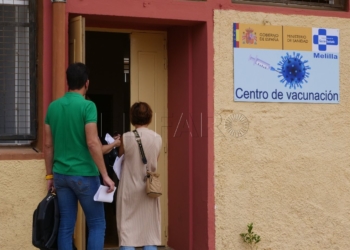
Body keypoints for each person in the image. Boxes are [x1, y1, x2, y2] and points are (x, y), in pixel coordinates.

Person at [44, 62, 116, 250]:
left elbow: (48, 145)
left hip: (60, 175)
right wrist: (105, 175)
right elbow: (93, 143)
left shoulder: (53, 107)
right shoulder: (87, 106)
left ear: (68, 82)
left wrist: (49, 175)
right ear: (87, 83)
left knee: (66, 225)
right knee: (97, 223)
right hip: (84, 175)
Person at [116, 102, 162, 250]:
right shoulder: (157, 138)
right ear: (149, 117)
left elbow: (120, 155)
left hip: (129, 189)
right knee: (149, 233)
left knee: (127, 233)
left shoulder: (126, 137)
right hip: (149, 190)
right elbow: (154, 161)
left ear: (132, 117)